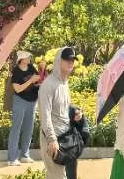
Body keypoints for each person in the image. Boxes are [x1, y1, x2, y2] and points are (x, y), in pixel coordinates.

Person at [38, 46, 78, 179]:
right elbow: (45, 115)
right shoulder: (48, 85)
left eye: (72, 60)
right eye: (67, 59)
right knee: (57, 177)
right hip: (53, 140)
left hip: (66, 139)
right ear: (58, 61)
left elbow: (62, 109)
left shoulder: (64, 83)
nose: (70, 62)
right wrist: (52, 139)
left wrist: (74, 113)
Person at [7, 50, 44, 166]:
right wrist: (31, 80)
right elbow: (17, 89)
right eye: (28, 57)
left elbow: (37, 80)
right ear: (21, 59)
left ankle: (24, 155)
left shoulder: (31, 67)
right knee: (16, 129)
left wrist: (41, 77)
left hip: (32, 102)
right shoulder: (16, 71)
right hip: (20, 101)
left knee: (28, 129)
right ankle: (12, 159)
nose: (30, 59)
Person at [63, 105, 92, 179]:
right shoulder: (66, 121)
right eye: (76, 114)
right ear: (71, 115)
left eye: (80, 112)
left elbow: (86, 135)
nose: (79, 115)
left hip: (76, 146)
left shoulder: (83, 120)